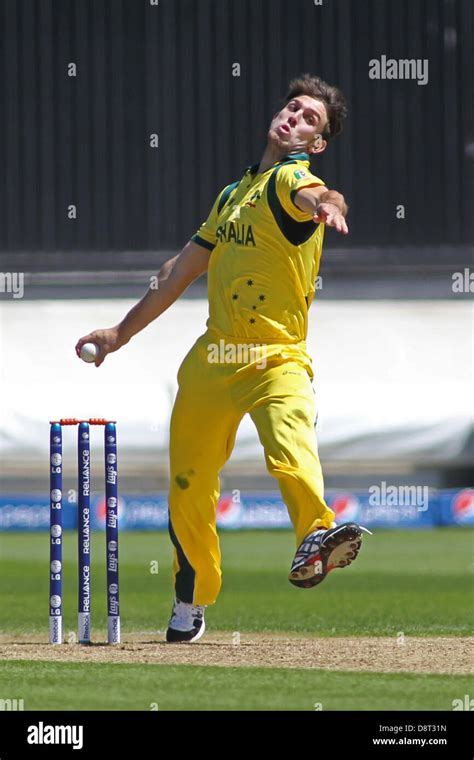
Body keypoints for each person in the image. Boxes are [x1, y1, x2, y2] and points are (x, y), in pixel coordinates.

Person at [76, 74, 370, 644]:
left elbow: (318, 195)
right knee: (189, 485)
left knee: (290, 445)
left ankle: (318, 540)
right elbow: (175, 274)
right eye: (293, 107)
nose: (295, 118)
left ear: (317, 144)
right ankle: (191, 598)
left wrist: (331, 204)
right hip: (214, 357)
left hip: (277, 356)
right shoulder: (232, 195)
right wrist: (119, 333)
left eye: (310, 118)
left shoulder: (294, 180)